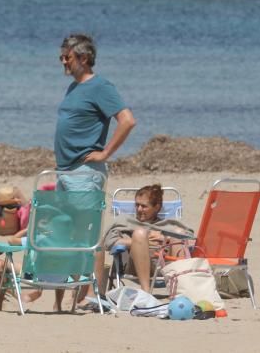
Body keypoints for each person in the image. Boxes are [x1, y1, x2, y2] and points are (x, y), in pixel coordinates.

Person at [55, 34, 136, 303]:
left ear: (84, 58)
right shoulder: (73, 87)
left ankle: (93, 292)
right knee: (71, 233)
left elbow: (127, 121)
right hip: (65, 170)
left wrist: (105, 152)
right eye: (62, 57)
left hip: (85, 171)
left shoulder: (101, 86)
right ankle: (80, 289)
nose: (63, 62)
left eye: (67, 57)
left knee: (89, 233)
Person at [103, 184, 194, 292]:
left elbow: (191, 240)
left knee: (178, 233)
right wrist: (138, 241)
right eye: (137, 205)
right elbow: (109, 242)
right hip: (135, 266)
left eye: (144, 206)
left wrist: (165, 237)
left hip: (165, 266)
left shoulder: (167, 224)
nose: (139, 209)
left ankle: (183, 291)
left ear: (157, 207)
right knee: (140, 233)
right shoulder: (126, 221)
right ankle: (146, 292)